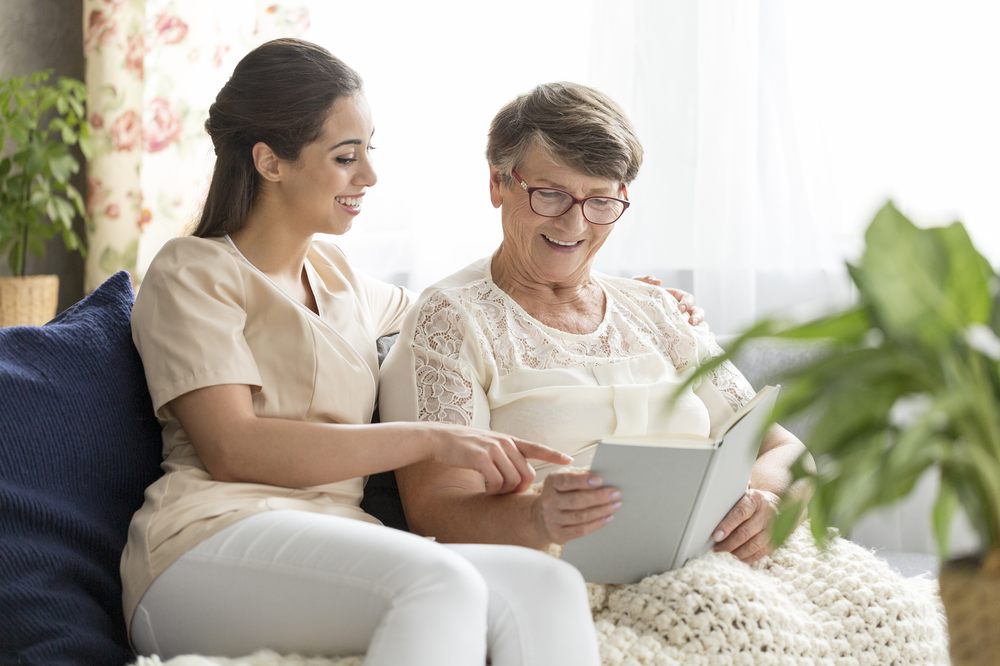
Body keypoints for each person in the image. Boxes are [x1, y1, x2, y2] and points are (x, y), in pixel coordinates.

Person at [124, 39, 612, 666]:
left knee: (545, 583)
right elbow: (232, 448)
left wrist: (606, 292)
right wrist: (432, 438)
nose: (370, 177)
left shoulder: (339, 277)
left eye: (369, 152)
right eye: (345, 156)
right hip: (203, 546)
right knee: (442, 582)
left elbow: (466, 307)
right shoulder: (193, 271)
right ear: (271, 161)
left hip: (337, 541)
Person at [378, 81, 808, 563]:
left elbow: (785, 449)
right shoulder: (450, 320)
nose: (574, 225)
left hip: (724, 559)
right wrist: (536, 517)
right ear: (498, 182)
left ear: (622, 195)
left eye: (600, 201)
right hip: (569, 571)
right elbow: (436, 509)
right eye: (551, 195)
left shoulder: (659, 310)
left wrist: (771, 502)